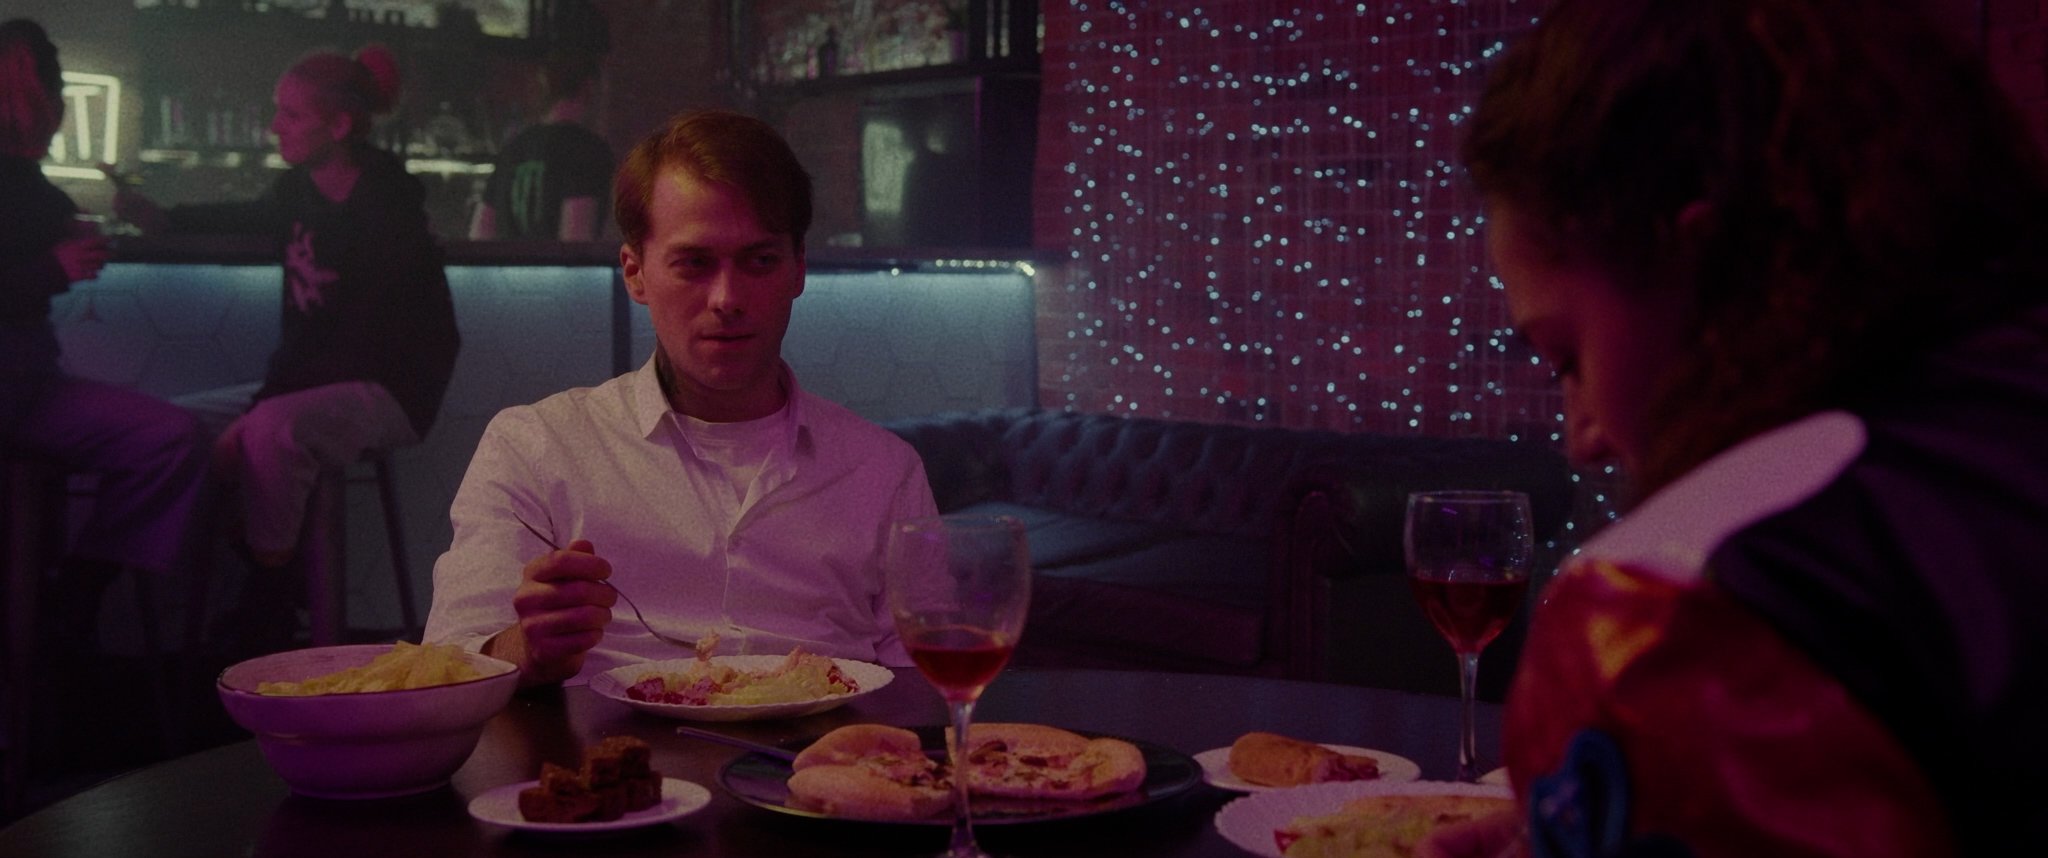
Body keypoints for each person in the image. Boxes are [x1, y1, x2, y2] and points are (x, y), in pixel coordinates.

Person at [1425, 1, 2048, 856]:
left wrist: (1653, 764)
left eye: (1567, 356)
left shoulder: (1674, 624)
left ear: (1701, 264)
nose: (1584, 438)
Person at [423, 109, 937, 688]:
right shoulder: (537, 449)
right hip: (605, 741)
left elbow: (923, 686)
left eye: (760, 261)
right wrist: (529, 648)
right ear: (635, 273)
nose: (726, 298)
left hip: (827, 740)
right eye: (694, 263)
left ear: (798, 270)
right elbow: (447, 663)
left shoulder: (883, 473)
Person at [112, 44, 459, 651]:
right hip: (305, 384)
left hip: (391, 390)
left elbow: (366, 345)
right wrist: (163, 218)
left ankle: (266, 599)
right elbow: (242, 216)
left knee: (271, 430)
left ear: (340, 125)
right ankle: (112, 582)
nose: (276, 127)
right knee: (173, 425)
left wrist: (258, 411)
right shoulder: (296, 192)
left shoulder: (389, 210)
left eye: (292, 114)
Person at [1, 18, 209, 650]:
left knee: (170, 440)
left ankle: (72, 598)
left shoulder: (23, 177)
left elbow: (39, 216)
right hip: (16, 388)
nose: (60, 104)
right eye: (53, 87)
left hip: (30, 386)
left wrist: (73, 235)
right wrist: (51, 267)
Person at [467, 46, 614, 242]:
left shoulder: (512, 149)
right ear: (589, 87)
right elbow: (576, 237)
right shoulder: (588, 150)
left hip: (508, 263)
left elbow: (480, 234)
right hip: (559, 263)